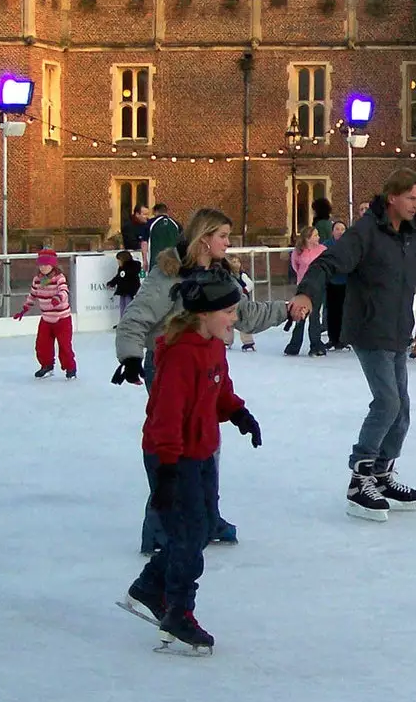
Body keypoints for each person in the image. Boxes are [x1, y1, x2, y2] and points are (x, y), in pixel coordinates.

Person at [289, 168, 416, 521]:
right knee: (387, 402)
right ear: (392, 198)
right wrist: (306, 294)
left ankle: (382, 474)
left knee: (401, 411)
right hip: (369, 330)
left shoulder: (410, 239)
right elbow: (327, 263)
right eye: (412, 198)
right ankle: (359, 478)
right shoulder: (365, 233)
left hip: (398, 331)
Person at [114, 208, 288, 552]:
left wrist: (288, 308)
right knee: (173, 445)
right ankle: (159, 526)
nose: (228, 242)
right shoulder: (169, 275)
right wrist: (131, 358)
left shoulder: (222, 277)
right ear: (204, 238)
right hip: (171, 367)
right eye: (223, 235)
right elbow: (135, 319)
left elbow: (246, 316)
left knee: (206, 445)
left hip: (208, 365)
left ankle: (207, 515)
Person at [121, 266, 263, 654]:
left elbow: (220, 389)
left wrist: (239, 414)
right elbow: (165, 416)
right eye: (230, 312)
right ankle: (179, 613)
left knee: (200, 530)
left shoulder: (214, 346)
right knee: (188, 535)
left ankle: (151, 584)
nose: (235, 319)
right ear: (205, 313)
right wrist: (166, 472)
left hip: (199, 450)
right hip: (172, 454)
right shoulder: (181, 355)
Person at [13, 248, 76, 379]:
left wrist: (57, 299)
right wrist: (24, 309)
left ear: (52, 265)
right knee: (42, 345)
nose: (43, 267)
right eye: (41, 264)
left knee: (64, 346)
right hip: (46, 319)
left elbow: (64, 291)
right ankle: (47, 366)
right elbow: (33, 295)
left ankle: (70, 368)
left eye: (46, 265)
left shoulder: (59, 277)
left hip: (62, 319)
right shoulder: (38, 280)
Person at [284, 227, 328, 357]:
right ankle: (294, 346)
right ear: (308, 238)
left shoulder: (323, 250)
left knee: (314, 316)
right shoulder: (298, 252)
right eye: (315, 235)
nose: (318, 237)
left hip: (318, 286)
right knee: (299, 315)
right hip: (303, 287)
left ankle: (316, 345)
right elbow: (295, 267)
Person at [325, 219, 349, 350]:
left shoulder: (349, 245)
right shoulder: (327, 245)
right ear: (332, 231)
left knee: (344, 311)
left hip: (346, 282)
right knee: (331, 311)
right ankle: (332, 338)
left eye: (342, 229)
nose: (340, 232)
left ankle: (343, 338)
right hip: (331, 282)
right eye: (337, 229)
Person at [106, 250, 142, 319]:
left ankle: (128, 322)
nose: (118, 262)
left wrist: (125, 270)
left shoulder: (134, 266)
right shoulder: (121, 268)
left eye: (119, 261)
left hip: (130, 291)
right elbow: (118, 277)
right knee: (122, 306)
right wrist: (111, 283)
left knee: (128, 307)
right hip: (123, 291)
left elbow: (130, 274)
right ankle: (122, 321)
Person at [145, 203, 182, 268]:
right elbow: (182, 242)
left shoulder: (150, 223)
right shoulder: (176, 224)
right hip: (173, 262)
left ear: (155, 212)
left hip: (155, 262)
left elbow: (144, 242)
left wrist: (145, 260)